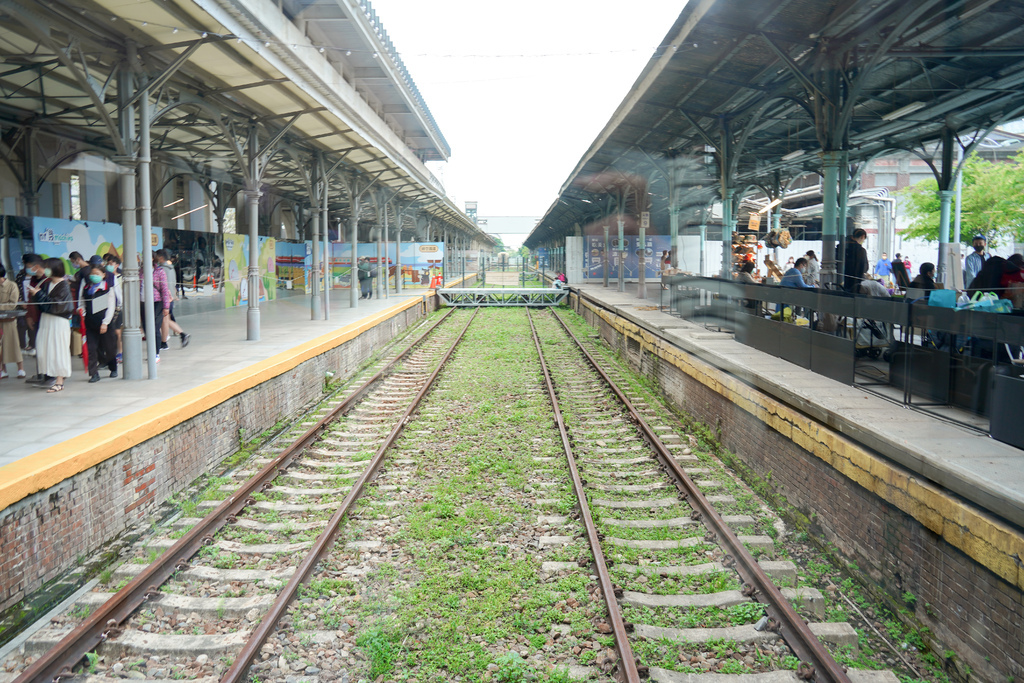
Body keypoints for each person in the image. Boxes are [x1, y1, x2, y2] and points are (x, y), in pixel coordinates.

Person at [27, 258, 73, 392]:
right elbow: (44, 303)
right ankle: (50, 376)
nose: (45, 270)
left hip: (58, 321)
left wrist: (39, 294)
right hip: (47, 320)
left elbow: (57, 305)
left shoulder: (63, 285)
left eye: (47, 267)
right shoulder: (47, 284)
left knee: (58, 350)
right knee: (46, 349)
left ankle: (59, 380)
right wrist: (36, 294)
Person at [80, 263, 120, 382]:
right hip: (90, 323)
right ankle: (94, 374)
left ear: (103, 275)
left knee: (109, 348)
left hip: (105, 322)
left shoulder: (107, 288)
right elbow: (82, 302)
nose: (94, 276)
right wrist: (82, 312)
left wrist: (105, 323)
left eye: (97, 274)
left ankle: (113, 368)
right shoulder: (87, 288)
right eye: (92, 274)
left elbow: (111, 306)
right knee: (92, 349)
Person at [155, 250, 191, 349]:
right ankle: (182, 335)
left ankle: (165, 342)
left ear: (161, 258)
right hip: (170, 298)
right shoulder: (171, 269)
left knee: (165, 321)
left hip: (165, 298)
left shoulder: (161, 269)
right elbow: (174, 283)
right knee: (167, 320)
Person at [142, 251, 172, 362]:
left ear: (153, 258)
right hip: (143, 302)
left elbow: (164, 289)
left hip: (156, 302)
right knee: (146, 328)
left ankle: (156, 353)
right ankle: (151, 352)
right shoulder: (140, 271)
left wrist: (166, 306)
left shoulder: (159, 271)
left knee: (154, 328)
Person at [0, 264, 26, 379]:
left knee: (13, 344)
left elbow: (12, 304)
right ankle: (3, 370)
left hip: (9, 320)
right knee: (0, 348)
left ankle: (20, 369)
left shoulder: (12, 285)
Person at [842, 229, 869, 293]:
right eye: (863, 239)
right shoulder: (861, 251)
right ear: (862, 236)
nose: (863, 241)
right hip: (855, 283)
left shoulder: (842, 247)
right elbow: (864, 268)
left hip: (842, 281)